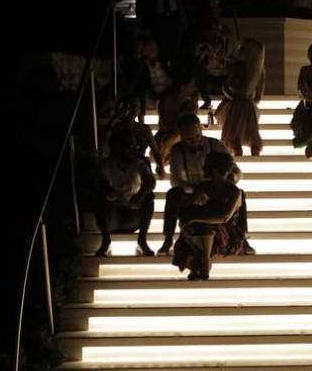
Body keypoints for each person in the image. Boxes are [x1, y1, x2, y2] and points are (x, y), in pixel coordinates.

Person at [158, 114, 254, 256]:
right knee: (173, 194)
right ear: (181, 136)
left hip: (216, 189)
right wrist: (197, 192)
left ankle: (242, 237)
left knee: (240, 194)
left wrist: (225, 183)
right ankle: (168, 239)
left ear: (201, 130)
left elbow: (235, 170)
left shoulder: (215, 144)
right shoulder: (177, 151)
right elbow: (176, 180)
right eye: (189, 139)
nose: (195, 141)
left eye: (197, 136)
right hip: (191, 190)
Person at [172, 152, 247, 280]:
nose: (203, 168)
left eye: (205, 166)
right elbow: (187, 206)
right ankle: (201, 262)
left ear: (215, 171)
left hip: (227, 233)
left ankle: (203, 260)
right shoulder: (205, 186)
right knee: (194, 217)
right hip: (206, 229)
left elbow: (224, 218)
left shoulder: (234, 191)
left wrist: (194, 218)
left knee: (202, 223)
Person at [94, 129, 157, 257]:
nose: (134, 150)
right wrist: (112, 195)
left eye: (135, 146)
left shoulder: (139, 164)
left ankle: (142, 240)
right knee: (100, 197)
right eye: (130, 146)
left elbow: (150, 181)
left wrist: (139, 196)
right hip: (113, 215)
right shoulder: (106, 165)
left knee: (149, 196)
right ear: (118, 147)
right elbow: (100, 185)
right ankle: (105, 241)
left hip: (133, 215)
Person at [215, 37, 265, 156]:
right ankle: (255, 153)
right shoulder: (260, 71)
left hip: (235, 104)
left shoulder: (238, 67)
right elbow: (258, 98)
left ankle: (237, 153)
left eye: (242, 49)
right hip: (249, 106)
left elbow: (230, 88)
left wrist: (224, 88)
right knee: (252, 134)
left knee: (233, 134)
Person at [189, 0, 237, 111]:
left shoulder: (226, 34)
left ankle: (229, 99)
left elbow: (233, 51)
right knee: (197, 75)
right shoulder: (201, 36)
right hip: (208, 74)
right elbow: (196, 55)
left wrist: (225, 53)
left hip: (223, 74)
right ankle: (206, 100)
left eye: (216, 10)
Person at [103, 96, 165, 178]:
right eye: (129, 106)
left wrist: (160, 165)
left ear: (139, 110)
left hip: (139, 167)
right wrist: (114, 118)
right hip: (118, 166)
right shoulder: (116, 127)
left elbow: (155, 151)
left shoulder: (143, 129)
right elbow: (104, 143)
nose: (132, 110)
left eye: (135, 107)